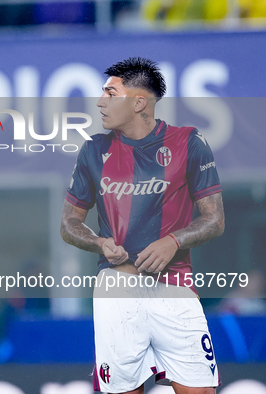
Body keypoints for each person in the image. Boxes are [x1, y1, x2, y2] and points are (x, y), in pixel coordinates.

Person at [60, 57, 225, 394]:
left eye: (110, 93)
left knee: (201, 391)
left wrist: (174, 241)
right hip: (116, 289)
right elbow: (69, 223)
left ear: (138, 102)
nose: (99, 102)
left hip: (175, 287)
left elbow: (214, 219)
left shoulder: (188, 142)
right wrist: (98, 242)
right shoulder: (93, 150)